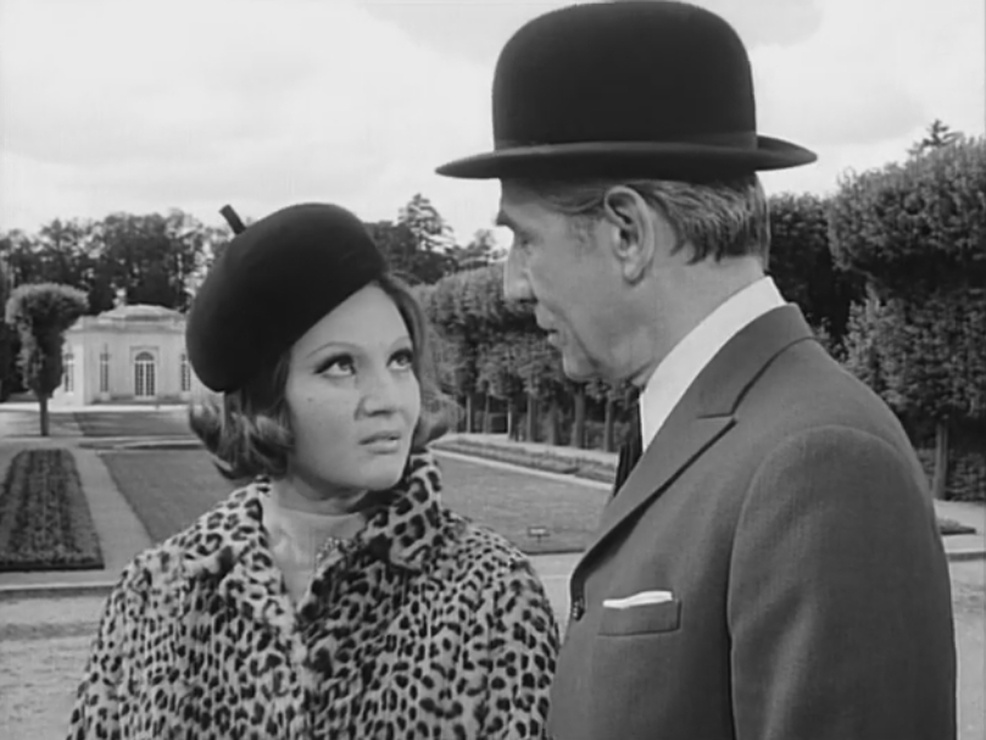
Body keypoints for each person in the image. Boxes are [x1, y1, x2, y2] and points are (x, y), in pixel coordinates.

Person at [436, 3, 956, 739]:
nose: (513, 284)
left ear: (628, 232)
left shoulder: (819, 460)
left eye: (524, 239)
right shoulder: (707, 429)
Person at [68, 203, 559, 739]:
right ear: (265, 400)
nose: (389, 399)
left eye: (399, 360)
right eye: (341, 366)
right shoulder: (154, 593)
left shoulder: (493, 594)